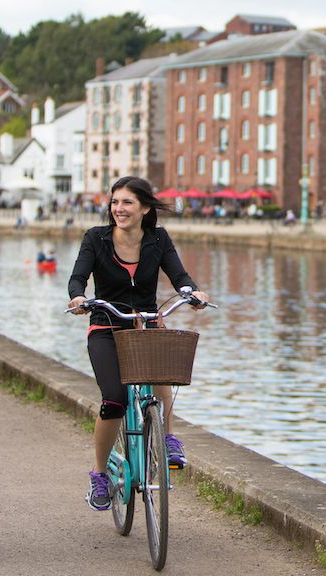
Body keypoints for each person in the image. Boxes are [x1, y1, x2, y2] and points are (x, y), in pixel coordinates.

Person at [67, 176, 210, 512]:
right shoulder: (96, 239)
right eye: (115, 202)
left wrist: (193, 292)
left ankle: (169, 438)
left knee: (163, 370)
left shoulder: (158, 239)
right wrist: (77, 297)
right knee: (114, 400)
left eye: (127, 202)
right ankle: (100, 473)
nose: (119, 209)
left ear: (145, 208)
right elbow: (78, 276)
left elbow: (180, 276)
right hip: (105, 325)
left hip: (146, 321)